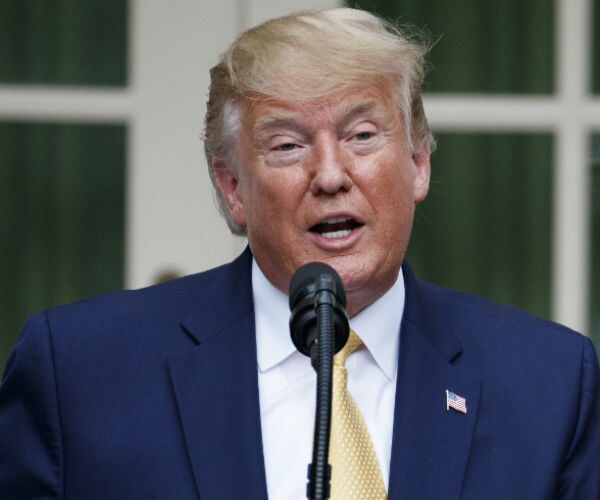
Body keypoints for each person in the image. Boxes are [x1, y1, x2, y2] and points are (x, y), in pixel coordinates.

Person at [1, 8, 598, 500]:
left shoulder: (548, 383)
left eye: (362, 135)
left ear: (418, 163)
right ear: (233, 188)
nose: (331, 174)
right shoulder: (78, 373)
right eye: (287, 145)